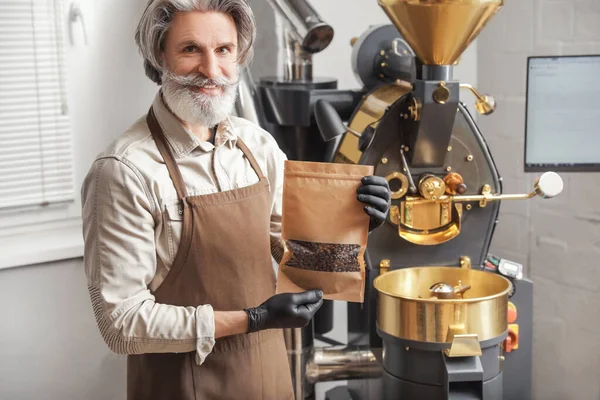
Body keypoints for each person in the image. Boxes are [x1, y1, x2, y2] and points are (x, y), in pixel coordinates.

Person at [81, 1, 391, 399]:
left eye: (224, 50)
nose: (211, 71)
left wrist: (356, 223)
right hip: (182, 385)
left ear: (239, 54)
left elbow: (297, 259)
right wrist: (254, 319)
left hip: (270, 376)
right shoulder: (125, 170)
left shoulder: (256, 145)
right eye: (191, 49)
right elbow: (121, 324)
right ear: (160, 56)